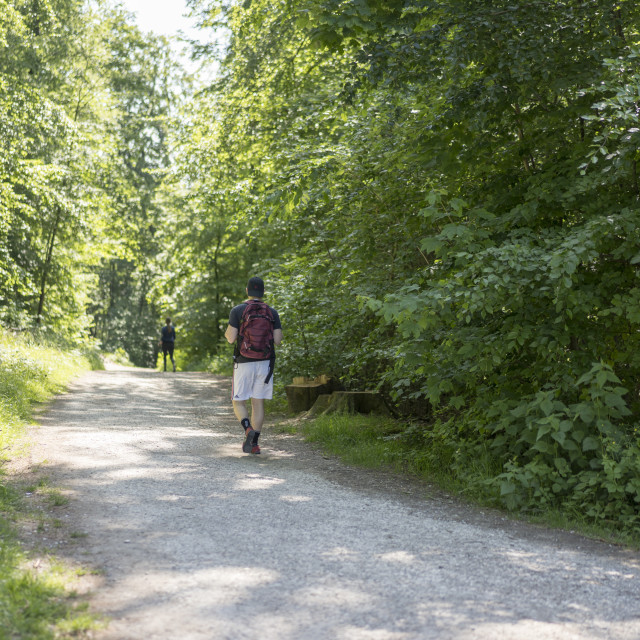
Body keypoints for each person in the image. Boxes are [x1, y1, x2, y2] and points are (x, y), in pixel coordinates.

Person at [225, 277, 282, 454]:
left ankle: (247, 428)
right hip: (265, 364)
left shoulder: (238, 310)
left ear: (247, 290)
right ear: (263, 292)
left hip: (244, 363)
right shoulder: (272, 312)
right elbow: (278, 340)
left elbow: (231, 338)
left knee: (238, 402)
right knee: (258, 404)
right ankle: (254, 444)